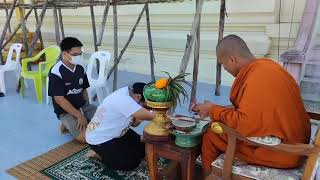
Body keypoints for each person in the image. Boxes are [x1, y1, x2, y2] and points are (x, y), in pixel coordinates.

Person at [193, 34, 311, 178]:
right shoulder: (268, 66)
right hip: (298, 143)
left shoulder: (256, 78)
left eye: (223, 64)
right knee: (217, 126)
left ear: (232, 59)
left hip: (284, 152)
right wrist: (214, 109)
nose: (224, 68)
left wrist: (213, 110)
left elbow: (245, 124)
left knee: (211, 135)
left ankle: (210, 176)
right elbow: (255, 109)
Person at [85, 82, 156, 171]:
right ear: (138, 97)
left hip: (118, 132)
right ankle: (100, 155)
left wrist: (140, 117)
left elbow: (134, 124)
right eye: (147, 105)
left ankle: (111, 153)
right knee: (130, 163)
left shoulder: (130, 93)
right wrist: (164, 110)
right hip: (100, 139)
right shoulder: (124, 100)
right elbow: (155, 117)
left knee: (143, 150)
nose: (148, 108)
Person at [48, 37, 97, 144]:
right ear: (65, 54)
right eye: (75, 55)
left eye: (80, 54)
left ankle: (79, 121)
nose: (79, 57)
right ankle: (66, 121)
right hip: (65, 110)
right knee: (84, 138)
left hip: (82, 105)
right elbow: (60, 100)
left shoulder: (80, 68)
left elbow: (84, 90)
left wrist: (87, 107)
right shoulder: (56, 72)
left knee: (105, 121)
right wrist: (79, 115)